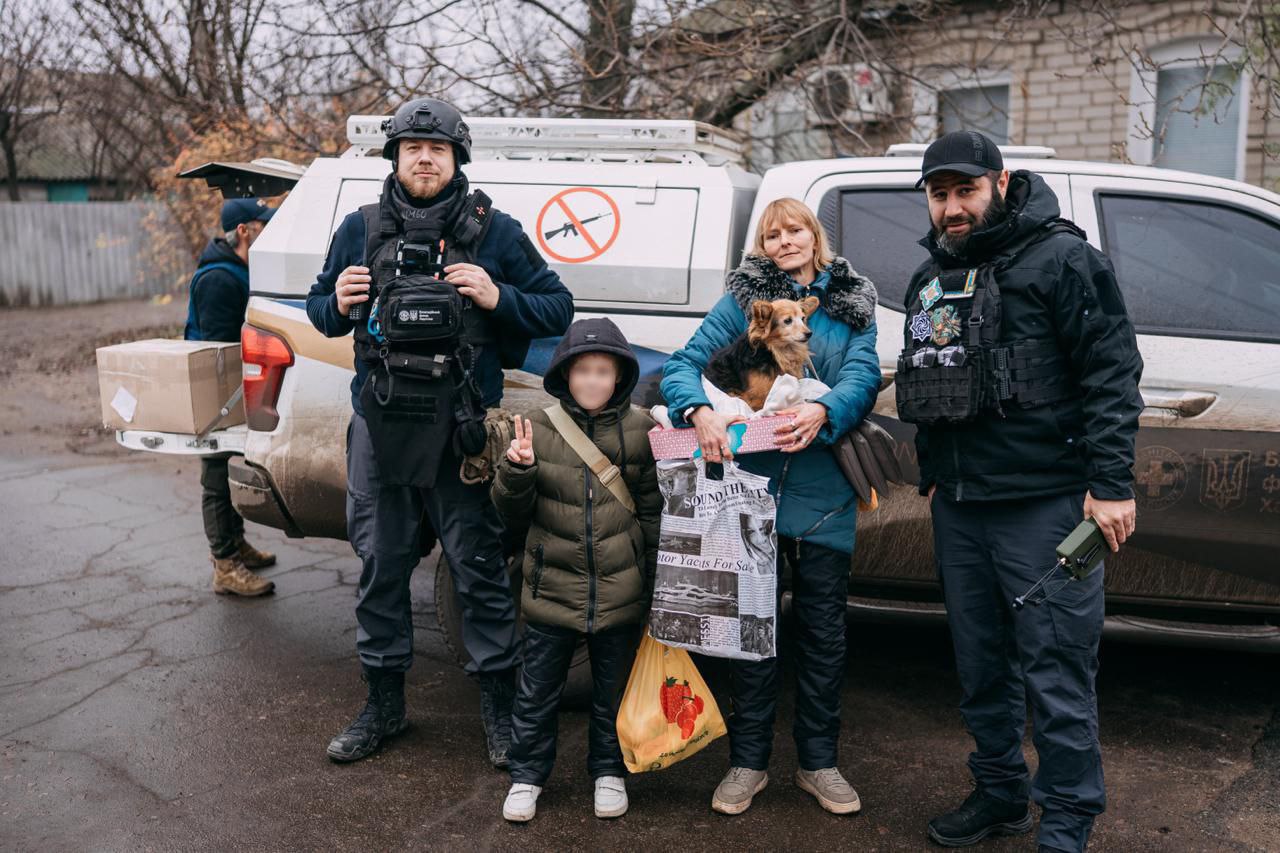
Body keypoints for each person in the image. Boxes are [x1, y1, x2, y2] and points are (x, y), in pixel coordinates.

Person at [305, 96, 574, 767]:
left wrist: (497, 295)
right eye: (412, 146)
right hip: (380, 425)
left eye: (439, 147)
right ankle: (384, 705)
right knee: (380, 566)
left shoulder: (495, 231)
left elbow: (558, 307)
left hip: (463, 431)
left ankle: (499, 713)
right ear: (395, 156)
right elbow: (318, 310)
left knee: (479, 569)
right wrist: (333, 303)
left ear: (457, 158)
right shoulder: (359, 227)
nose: (425, 157)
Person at [896, 131, 1142, 853]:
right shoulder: (930, 276)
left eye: (964, 189)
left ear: (999, 183)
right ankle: (1001, 790)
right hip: (963, 507)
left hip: (1048, 503)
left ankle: (1066, 820)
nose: (951, 207)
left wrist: (1112, 485)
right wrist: (937, 480)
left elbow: (1111, 373)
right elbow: (931, 379)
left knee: (1056, 666)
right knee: (979, 666)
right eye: (939, 194)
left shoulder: (1062, 258)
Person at [660, 197, 881, 816]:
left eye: (795, 231)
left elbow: (863, 376)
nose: (785, 241)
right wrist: (698, 411)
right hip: (748, 494)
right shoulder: (744, 304)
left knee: (822, 633)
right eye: (772, 234)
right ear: (763, 244)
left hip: (822, 493)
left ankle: (819, 764)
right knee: (750, 630)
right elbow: (682, 366)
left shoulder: (849, 304)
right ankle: (748, 763)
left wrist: (824, 409)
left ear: (815, 236)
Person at [490, 317, 660, 823]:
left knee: (613, 690)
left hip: (620, 591)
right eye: (581, 370)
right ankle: (526, 776)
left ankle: (608, 771)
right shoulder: (537, 428)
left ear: (619, 377)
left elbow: (651, 511)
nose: (591, 380)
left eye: (602, 371)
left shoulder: (640, 429)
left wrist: (651, 586)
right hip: (551, 589)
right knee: (537, 691)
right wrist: (515, 470)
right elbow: (509, 515)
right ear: (565, 375)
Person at [184, 197, 278, 598]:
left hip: (233, 390)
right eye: (263, 224)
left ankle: (235, 544)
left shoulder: (236, 269)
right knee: (215, 476)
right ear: (245, 231)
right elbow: (221, 351)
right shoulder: (220, 278)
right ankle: (224, 565)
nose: (268, 230)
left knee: (225, 469)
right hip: (216, 393)